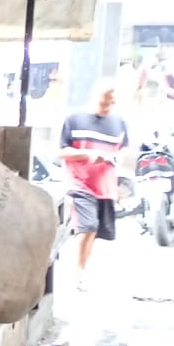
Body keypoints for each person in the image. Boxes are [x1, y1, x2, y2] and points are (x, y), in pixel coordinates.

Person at [59, 84, 129, 280]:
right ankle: (77, 273)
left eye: (111, 103)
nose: (107, 106)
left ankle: (81, 268)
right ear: (94, 97)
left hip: (104, 187)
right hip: (79, 183)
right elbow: (61, 151)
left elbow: (123, 149)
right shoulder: (74, 120)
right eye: (103, 101)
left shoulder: (119, 123)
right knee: (88, 225)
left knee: (94, 230)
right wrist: (88, 154)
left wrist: (116, 158)